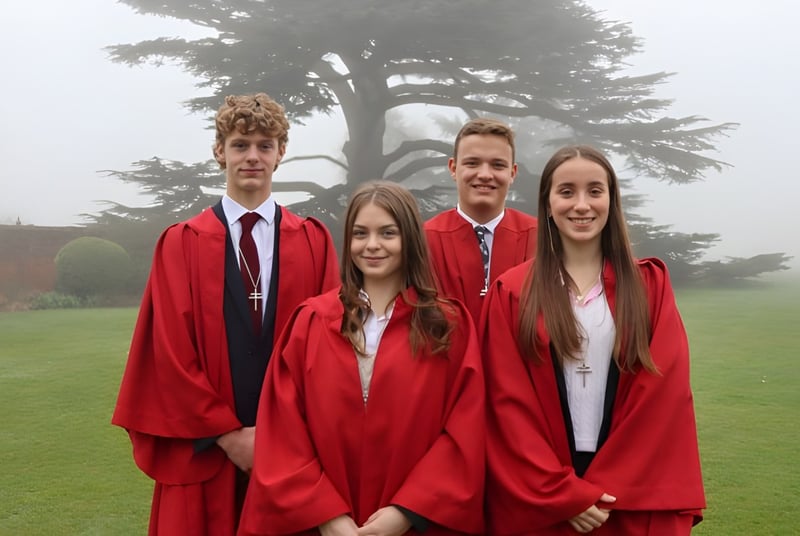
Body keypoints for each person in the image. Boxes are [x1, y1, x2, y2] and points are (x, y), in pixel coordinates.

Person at [112, 93, 340, 535]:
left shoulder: (313, 242)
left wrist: (277, 437)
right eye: (240, 144)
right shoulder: (182, 243)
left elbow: (327, 350)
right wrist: (230, 436)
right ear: (220, 151)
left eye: (265, 145)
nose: (252, 156)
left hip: (291, 452)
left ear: (281, 153)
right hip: (205, 452)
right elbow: (170, 354)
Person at [238, 181, 486, 536]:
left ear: (410, 239)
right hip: (321, 523)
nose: (372, 245)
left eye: (388, 233)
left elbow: (464, 430)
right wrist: (327, 515)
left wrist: (406, 511)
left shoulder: (446, 326)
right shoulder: (311, 321)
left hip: (416, 521)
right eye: (360, 233)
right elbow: (283, 430)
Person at [482, 145, 705, 534]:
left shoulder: (649, 287)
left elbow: (662, 398)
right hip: (541, 496)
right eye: (566, 191)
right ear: (547, 204)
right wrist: (561, 492)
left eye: (595, 191)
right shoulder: (513, 292)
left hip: (624, 497)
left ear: (611, 201)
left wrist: (602, 489)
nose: (581, 204)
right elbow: (506, 402)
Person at [425, 118, 537, 325]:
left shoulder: (541, 239)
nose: (485, 174)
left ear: (512, 173)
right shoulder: (423, 240)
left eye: (497, 165)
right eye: (472, 163)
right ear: (453, 168)